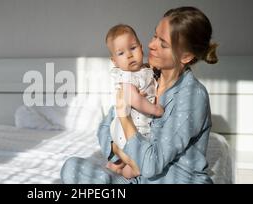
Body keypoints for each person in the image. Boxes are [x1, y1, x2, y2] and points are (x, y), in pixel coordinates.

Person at [61, 6, 218, 184]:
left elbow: (152, 165)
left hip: (173, 180)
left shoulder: (193, 96)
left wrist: (125, 119)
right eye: (155, 36)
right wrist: (121, 156)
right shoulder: (145, 76)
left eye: (163, 44)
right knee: (72, 167)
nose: (151, 45)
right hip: (139, 178)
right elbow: (104, 128)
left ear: (186, 56)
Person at [104, 24, 164, 179]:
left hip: (139, 126)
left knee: (138, 164)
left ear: (141, 48)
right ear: (114, 61)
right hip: (126, 131)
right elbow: (134, 99)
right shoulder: (126, 76)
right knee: (136, 171)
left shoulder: (144, 70)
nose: (129, 55)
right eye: (121, 53)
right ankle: (120, 167)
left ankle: (118, 165)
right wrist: (155, 110)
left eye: (133, 48)